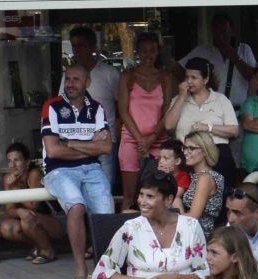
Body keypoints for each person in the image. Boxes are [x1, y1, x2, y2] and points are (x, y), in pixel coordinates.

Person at [41, 62, 116, 279]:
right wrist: (90, 147)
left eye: (76, 79)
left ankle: (104, 272)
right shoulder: (52, 106)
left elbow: (106, 148)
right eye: (68, 79)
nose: (70, 84)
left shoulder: (97, 108)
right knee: (76, 206)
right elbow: (53, 151)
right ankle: (80, 271)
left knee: (105, 215)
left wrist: (70, 143)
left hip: (92, 168)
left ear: (87, 82)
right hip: (59, 170)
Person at [115, 30, 172, 210]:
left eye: (152, 51)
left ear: (158, 51)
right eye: (144, 51)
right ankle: (125, 228)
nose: (148, 55)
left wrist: (151, 139)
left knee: (158, 194)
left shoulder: (165, 78)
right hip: (132, 140)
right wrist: (141, 140)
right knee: (130, 196)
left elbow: (168, 112)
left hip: (158, 140)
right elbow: (123, 111)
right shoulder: (128, 76)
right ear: (138, 52)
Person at [70, 26, 123, 190]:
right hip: (77, 140)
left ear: (92, 47)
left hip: (104, 140)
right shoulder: (70, 76)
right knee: (80, 190)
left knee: (105, 188)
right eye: (74, 46)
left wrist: (117, 131)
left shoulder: (110, 73)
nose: (77, 50)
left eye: (81, 45)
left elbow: (121, 106)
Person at [0, 140, 61, 263]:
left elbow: (33, 206)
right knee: (7, 227)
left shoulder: (34, 174)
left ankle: (47, 251)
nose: (12, 165)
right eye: (9, 161)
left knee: (27, 219)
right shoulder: (8, 179)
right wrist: (19, 211)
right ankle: (39, 246)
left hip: (55, 221)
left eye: (17, 160)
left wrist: (16, 188)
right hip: (30, 221)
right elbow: (9, 210)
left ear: (27, 162)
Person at [185, 13, 258, 109]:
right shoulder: (203, 50)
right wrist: (198, 84)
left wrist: (234, 57)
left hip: (239, 110)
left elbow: (254, 77)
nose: (220, 36)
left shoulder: (244, 50)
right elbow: (176, 69)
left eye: (224, 32)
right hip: (212, 110)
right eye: (216, 32)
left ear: (232, 31)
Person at [164, 58, 240, 149]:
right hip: (186, 152)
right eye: (187, 77)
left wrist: (208, 127)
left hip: (216, 152)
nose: (189, 81)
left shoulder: (221, 100)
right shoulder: (178, 99)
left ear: (205, 79)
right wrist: (181, 97)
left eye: (193, 78)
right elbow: (168, 126)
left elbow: (234, 131)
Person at [176, 133, 226, 236]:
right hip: (189, 230)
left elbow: (193, 217)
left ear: (204, 151)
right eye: (185, 148)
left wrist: (174, 211)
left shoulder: (205, 178)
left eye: (191, 148)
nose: (185, 152)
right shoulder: (195, 176)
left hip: (198, 235)